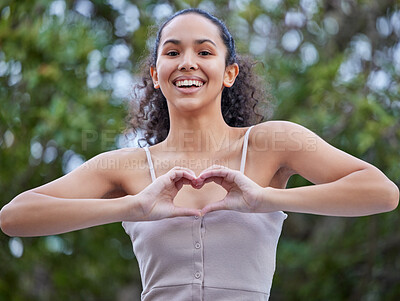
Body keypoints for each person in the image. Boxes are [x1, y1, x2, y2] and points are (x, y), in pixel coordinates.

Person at [0, 7, 398, 301]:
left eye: (204, 52)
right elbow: (15, 217)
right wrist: (132, 208)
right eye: (172, 52)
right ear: (156, 75)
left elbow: (381, 192)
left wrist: (265, 199)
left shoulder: (272, 142)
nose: (187, 62)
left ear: (229, 73)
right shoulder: (126, 166)